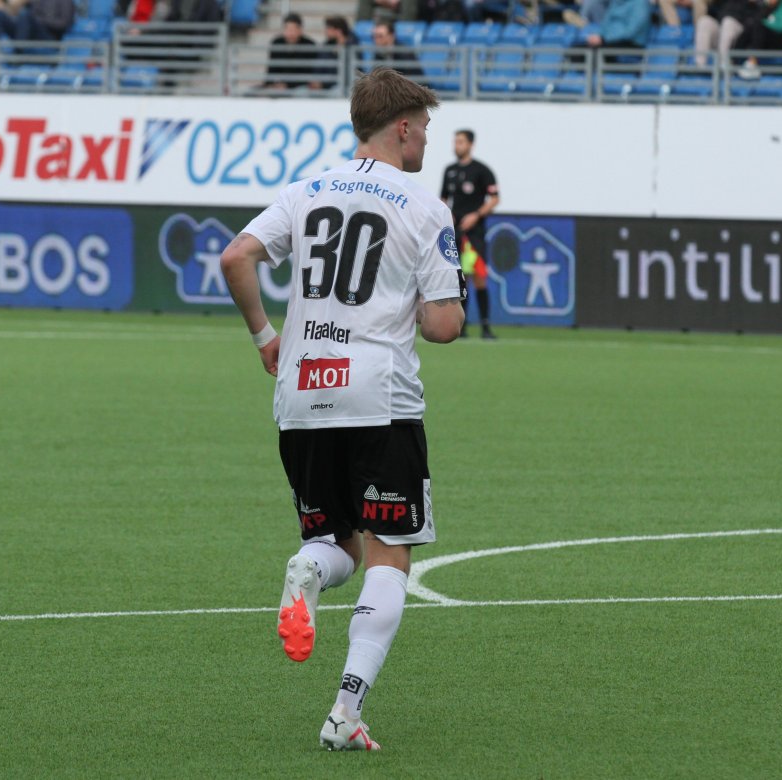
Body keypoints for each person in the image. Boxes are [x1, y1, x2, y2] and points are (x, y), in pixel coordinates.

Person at [218, 68, 465, 752]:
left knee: (335, 544)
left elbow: (236, 257)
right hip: (379, 398)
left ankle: (310, 570)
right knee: (389, 554)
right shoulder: (423, 206)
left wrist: (266, 338)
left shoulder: (305, 191)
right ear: (403, 127)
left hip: (301, 393)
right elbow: (444, 326)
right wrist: (432, 301)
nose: (427, 140)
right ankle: (345, 710)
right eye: (426, 128)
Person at [440, 129, 500, 339]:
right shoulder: (450, 171)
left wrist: (476, 215)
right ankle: (462, 326)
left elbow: (494, 199)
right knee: (460, 278)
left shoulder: (481, 170)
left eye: (461, 142)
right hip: (455, 232)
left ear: (470, 145)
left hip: (474, 233)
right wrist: (446, 215)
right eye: (455, 141)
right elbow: (443, 199)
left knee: (479, 277)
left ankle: (485, 326)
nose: (457, 145)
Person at [734, 0, 782, 79]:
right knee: (752, 26)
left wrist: (768, 23)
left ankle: (752, 63)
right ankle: (734, 60)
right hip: (778, 37)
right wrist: (767, 5)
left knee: (760, 27)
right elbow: (770, 18)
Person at [260, 12, 319, 91]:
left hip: (301, 86)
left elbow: (307, 73)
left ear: (300, 30)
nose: (290, 33)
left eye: (293, 30)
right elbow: (272, 69)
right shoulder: (277, 43)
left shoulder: (309, 45)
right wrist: (269, 85)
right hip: (280, 85)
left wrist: (287, 86)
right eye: (287, 29)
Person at [694, 0, 762, 67]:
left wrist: (753, 3)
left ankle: (723, 64)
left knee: (728, 22)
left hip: (740, 34)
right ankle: (700, 65)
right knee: (704, 21)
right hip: (720, 31)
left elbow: (757, 18)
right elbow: (712, 11)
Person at [0, 0, 74, 43]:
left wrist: (40, 22)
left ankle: (18, 52)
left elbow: (65, 23)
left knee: (25, 16)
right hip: (27, 31)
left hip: (49, 36)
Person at [316, 15, 357, 91]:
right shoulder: (327, 45)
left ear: (338, 31)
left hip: (345, 86)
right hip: (326, 86)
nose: (326, 31)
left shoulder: (353, 45)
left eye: (329, 28)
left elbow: (352, 70)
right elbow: (319, 67)